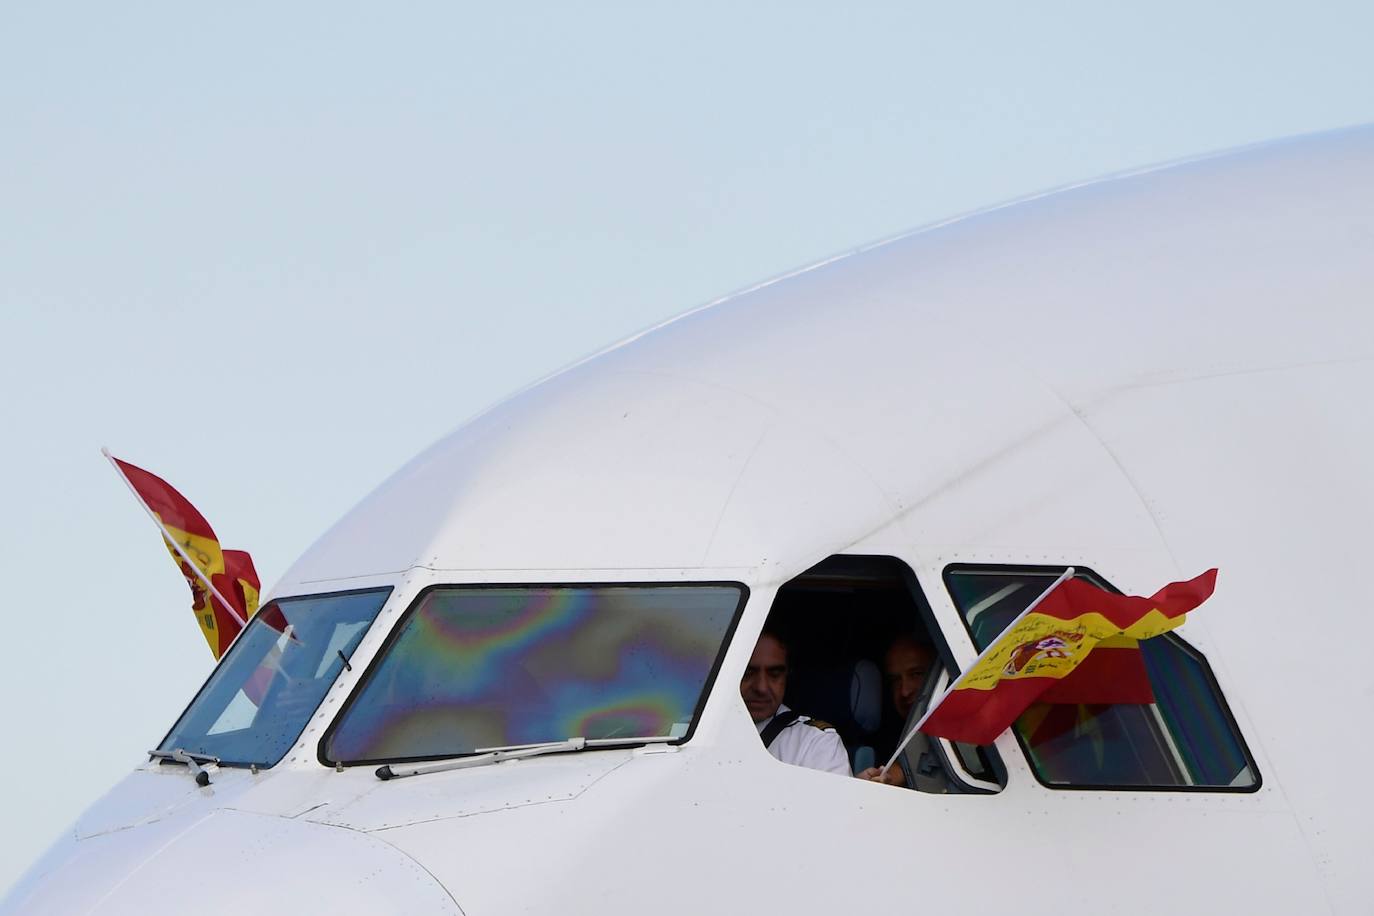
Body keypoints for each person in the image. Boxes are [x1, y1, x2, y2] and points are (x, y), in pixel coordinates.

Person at [741, 627, 851, 776]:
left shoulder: (815, 744)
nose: (761, 687)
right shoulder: (701, 729)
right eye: (747, 673)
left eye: (774, 674)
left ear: (788, 676)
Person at [856, 634, 935, 786]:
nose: (905, 691)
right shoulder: (883, 738)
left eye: (916, 674)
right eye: (895, 680)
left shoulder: (968, 727)